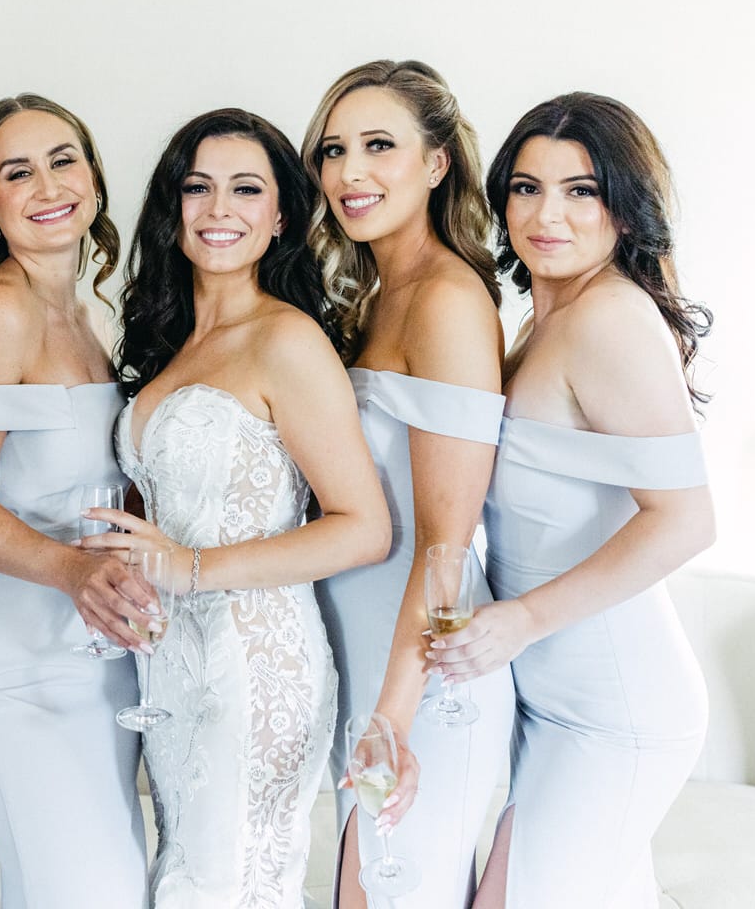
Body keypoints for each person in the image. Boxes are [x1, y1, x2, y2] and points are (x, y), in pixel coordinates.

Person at [90, 108, 391, 908]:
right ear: (173, 207)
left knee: (226, 887)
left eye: (245, 189)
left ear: (280, 215)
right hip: (171, 667)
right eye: (199, 187)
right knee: (185, 874)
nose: (219, 209)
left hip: (256, 666)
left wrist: (191, 568)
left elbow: (363, 526)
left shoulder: (287, 339)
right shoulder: (170, 342)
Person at [447, 93, 715, 909]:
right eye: (526, 188)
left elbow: (687, 520)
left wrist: (523, 620)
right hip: (551, 694)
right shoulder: (540, 320)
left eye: (580, 191)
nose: (546, 215)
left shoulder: (610, 320)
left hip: (617, 705)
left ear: (625, 211)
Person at [0, 94, 150, 909]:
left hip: (98, 662)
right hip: (12, 662)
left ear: (92, 176)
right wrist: (70, 571)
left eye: (63, 160)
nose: (48, 185)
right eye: (18, 172)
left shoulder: (91, 313)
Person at [300, 59, 517, 908]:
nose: (349, 174)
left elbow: (445, 546)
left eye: (379, 146)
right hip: (371, 664)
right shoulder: (371, 297)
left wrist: (392, 715)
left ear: (436, 164)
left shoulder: (448, 303)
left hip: (428, 678)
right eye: (334, 150)